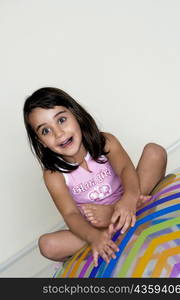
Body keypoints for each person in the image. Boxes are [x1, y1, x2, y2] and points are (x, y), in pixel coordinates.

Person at [23, 87, 167, 266]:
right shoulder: (53, 175)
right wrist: (95, 237)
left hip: (129, 202)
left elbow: (125, 169)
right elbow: (71, 214)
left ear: (76, 115)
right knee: (47, 245)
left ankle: (124, 215)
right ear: (41, 142)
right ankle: (115, 231)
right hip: (97, 227)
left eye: (61, 120)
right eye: (46, 131)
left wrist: (129, 199)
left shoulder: (104, 141)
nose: (58, 133)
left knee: (155, 152)